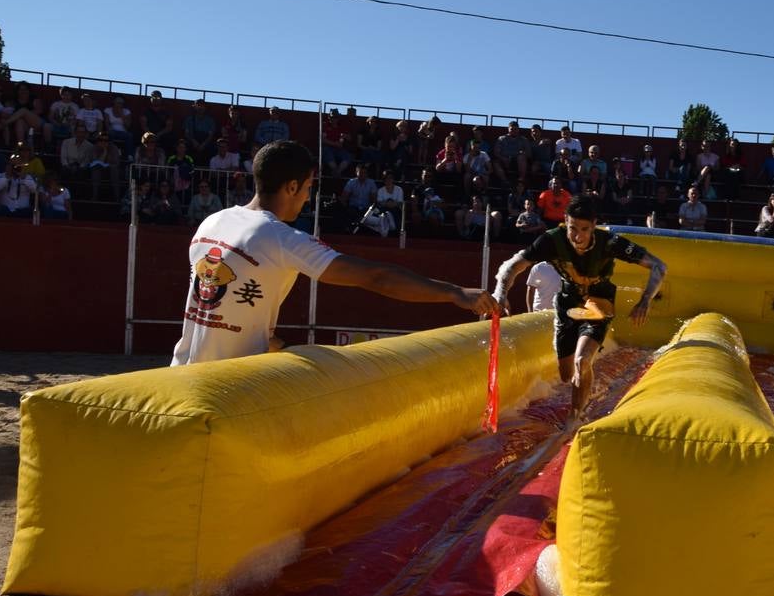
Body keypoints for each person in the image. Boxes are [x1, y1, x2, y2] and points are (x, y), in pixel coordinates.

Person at [171, 142, 495, 366]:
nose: (307, 198)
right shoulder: (282, 237)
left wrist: (273, 345)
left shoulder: (213, 221)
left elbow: (219, 309)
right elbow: (376, 277)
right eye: (309, 187)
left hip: (177, 376)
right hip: (225, 390)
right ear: (292, 187)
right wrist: (455, 293)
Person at [490, 194, 667, 421]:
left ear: (594, 226)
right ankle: (578, 382)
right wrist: (501, 292)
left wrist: (645, 301)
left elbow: (658, 266)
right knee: (566, 375)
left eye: (585, 229)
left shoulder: (609, 242)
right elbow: (513, 265)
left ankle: (575, 417)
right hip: (568, 304)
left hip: (598, 304)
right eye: (573, 228)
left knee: (582, 361)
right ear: (565, 220)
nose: (578, 236)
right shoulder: (552, 240)